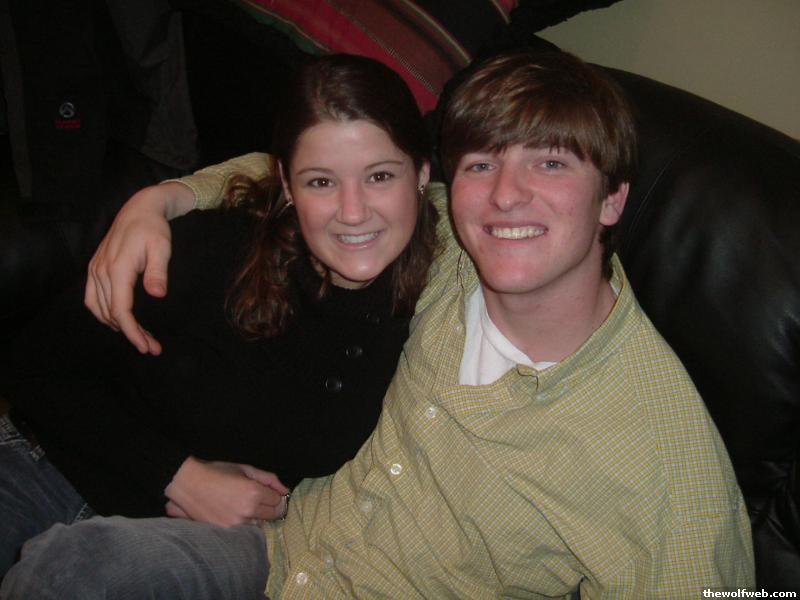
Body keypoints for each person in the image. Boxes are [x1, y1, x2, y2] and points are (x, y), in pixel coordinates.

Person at [3, 49, 754, 598]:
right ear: (444, 181)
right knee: (76, 570)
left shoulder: (665, 465)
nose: (506, 196)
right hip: (271, 555)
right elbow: (323, 170)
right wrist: (162, 197)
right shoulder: (452, 244)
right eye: (482, 164)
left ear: (613, 200)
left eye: (552, 164)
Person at [0, 54, 437, 583]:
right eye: (321, 182)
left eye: (380, 176)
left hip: (169, 553)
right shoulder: (218, 252)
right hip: (46, 468)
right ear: (287, 184)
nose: (352, 211)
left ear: (422, 175)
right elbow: (31, 367)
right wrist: (177, 476)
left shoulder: (438, 309)